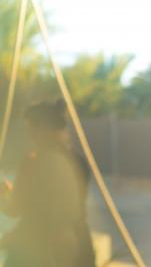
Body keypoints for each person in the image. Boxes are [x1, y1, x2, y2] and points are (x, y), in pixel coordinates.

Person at [0, 98, 96, 267]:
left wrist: (3, 195)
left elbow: (15, 209)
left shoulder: (34, 162)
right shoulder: (78, 161)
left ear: (41, 129)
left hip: (40, 252)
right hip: (80, 249)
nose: (31, 136)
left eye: (31, 129)